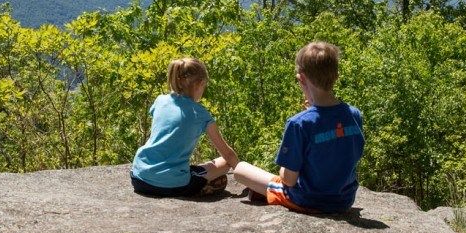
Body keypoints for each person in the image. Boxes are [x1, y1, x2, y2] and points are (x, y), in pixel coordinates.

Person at [233, 42, 364, 214]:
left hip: (308, 200)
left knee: (240, 169)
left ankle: (268, 194)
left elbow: (288, 179)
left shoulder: (299, 123)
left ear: (301, 78)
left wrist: (283, 169)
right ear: (336, 76)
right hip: (344, 200)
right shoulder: (354, 115)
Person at [130, 57, 238, 197]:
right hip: (173, 184)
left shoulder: (160, 100)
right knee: (224, 163)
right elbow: (229, 155)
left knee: (186, 166)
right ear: (200, 84)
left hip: (139, 177)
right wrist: (245, 176)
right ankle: (201, 184)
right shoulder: (200, 113)